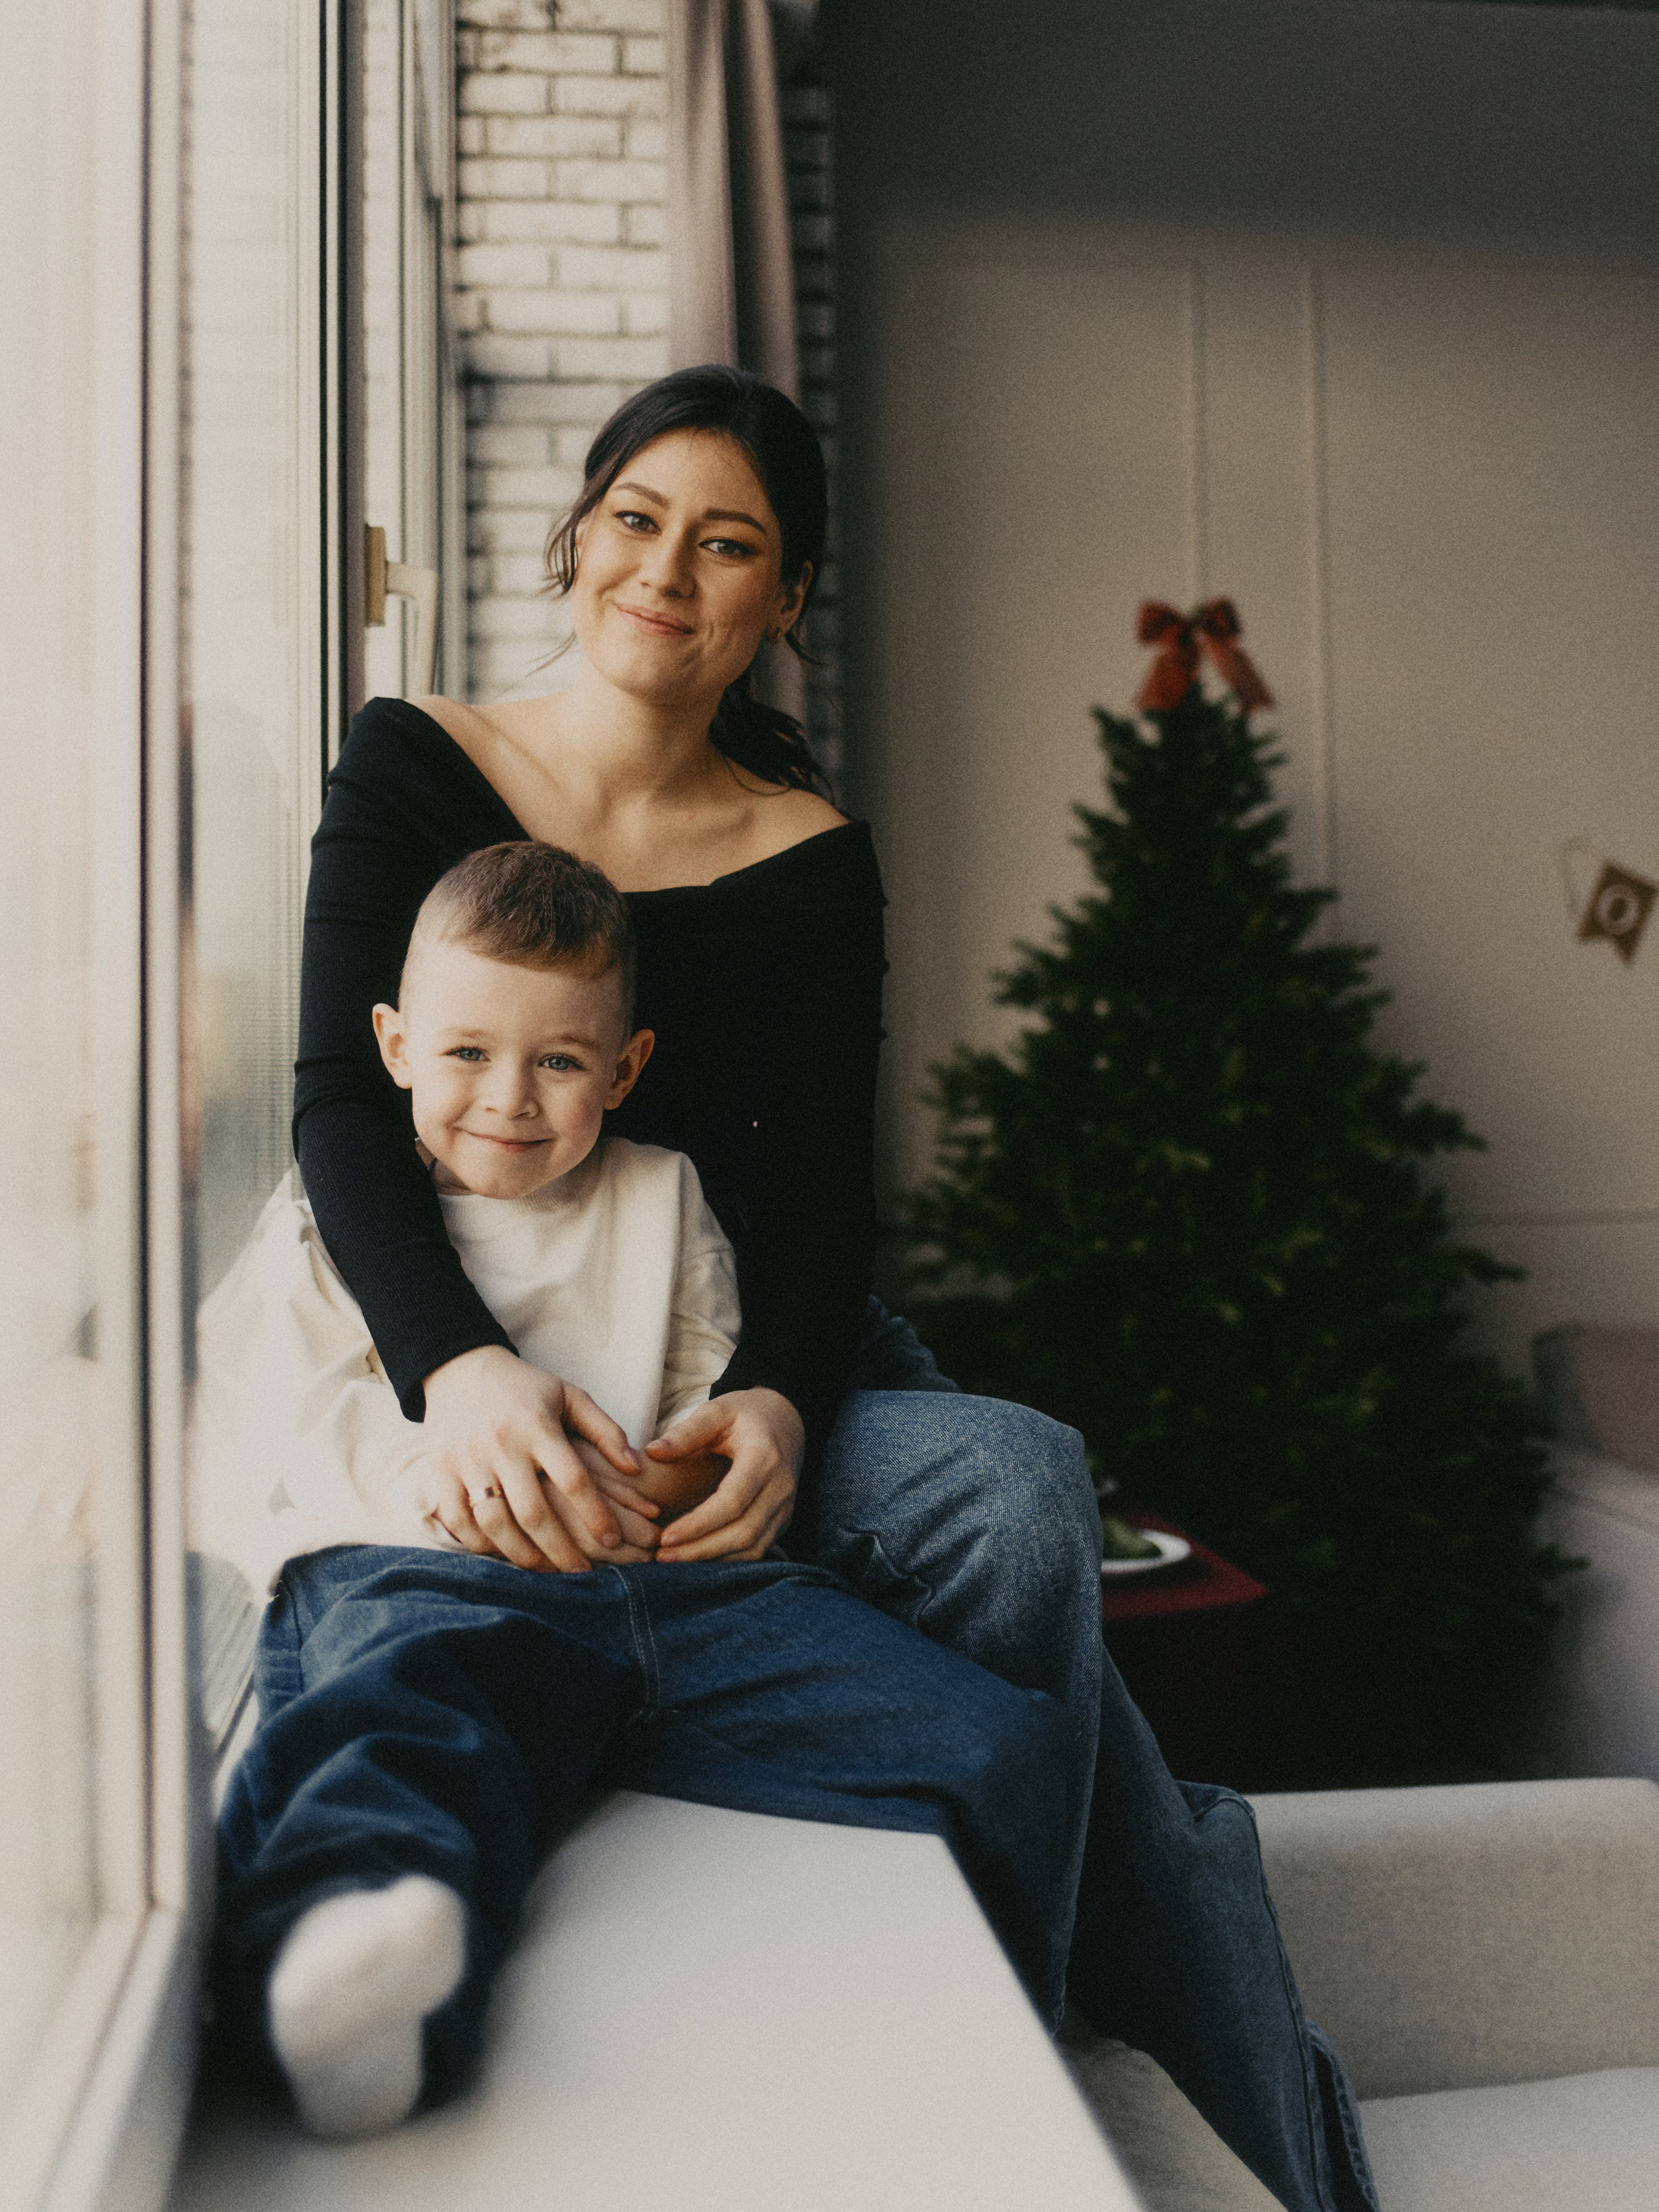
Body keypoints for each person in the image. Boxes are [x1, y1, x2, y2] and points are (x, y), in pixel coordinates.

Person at [293, 364, 1377, 2210]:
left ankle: (1027, 2028)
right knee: (1152, 1816)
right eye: (639, 519)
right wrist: (453, 1369)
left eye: (730, 545)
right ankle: (1210, 2126)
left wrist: (786, 1397)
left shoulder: (808, 857)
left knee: (1024, 1479)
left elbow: (816, 1207)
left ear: (783, 602)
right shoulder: (414, 761)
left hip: (734, 1361)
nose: (669, 570)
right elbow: (334, 1094)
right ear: (578, 535)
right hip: (496, 1357)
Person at [203, 839, 1071, 2141]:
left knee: (1000, 1743)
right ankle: (362, 1984)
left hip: (662, 1588)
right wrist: (470, 1497)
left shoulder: (661, 1194)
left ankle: (984, 2053)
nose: (509, 1098)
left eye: (557, 1061)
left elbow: (699, 1383)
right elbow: (270, 1432)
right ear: (391, 1045)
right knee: (395, 1717)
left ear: (625, 1067)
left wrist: (674, 1468)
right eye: (464, 1054)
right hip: (428, 1577)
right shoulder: (332, 1218)